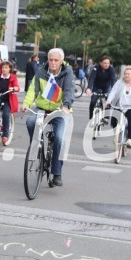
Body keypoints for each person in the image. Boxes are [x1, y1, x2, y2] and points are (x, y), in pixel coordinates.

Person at [21, 48, 75, 186]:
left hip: (60, 110)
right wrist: (26, 104)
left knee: (59, 139)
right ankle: (36, 144)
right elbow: (32, 89)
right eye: (51, 60)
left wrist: (66, 106)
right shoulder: (41, 71)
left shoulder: (67, 72)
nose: (53, 62)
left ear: (61, 61)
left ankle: (56, 173)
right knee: (30, 122)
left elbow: (69, 91)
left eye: (56, 60)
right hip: (41, 107)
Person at [106, 66, 131, 148]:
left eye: (128, 74)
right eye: (125, 74)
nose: (126, 75)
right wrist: (108, 101)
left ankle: (129, 139)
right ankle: (117, 134)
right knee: (113, 121)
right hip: (118, 106)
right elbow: (113, 92)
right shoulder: (119, 82)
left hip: (130, 107)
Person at [85, 56, 117, 121]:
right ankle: (91, 117)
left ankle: (106, 117)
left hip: (106, 86)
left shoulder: (111, 69)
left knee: (108, 102)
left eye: (108, 63)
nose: (107, 65)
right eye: (105, 63)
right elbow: (92, 78)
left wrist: (114, 91)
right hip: (97, 86)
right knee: (93, 101)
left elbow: (113, 80)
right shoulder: (96, 68)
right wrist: (89, 88)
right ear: (100, 63)